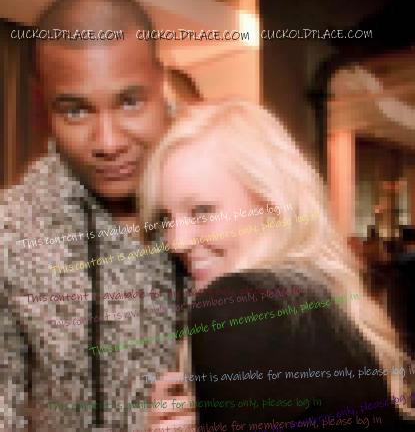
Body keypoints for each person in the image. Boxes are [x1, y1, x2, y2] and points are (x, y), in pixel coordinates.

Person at [140, 100, 415, 430]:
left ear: (271, 203)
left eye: (201, 211)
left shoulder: (237, 307)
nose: (176, 241)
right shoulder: (315, 300)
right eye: (167, 218)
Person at [1, 0, 181, 431]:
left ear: (161, 82)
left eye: (130, 102)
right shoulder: (10, 231)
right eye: (76, 110)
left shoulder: (229, 194)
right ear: (42, 106)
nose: (108, 142)